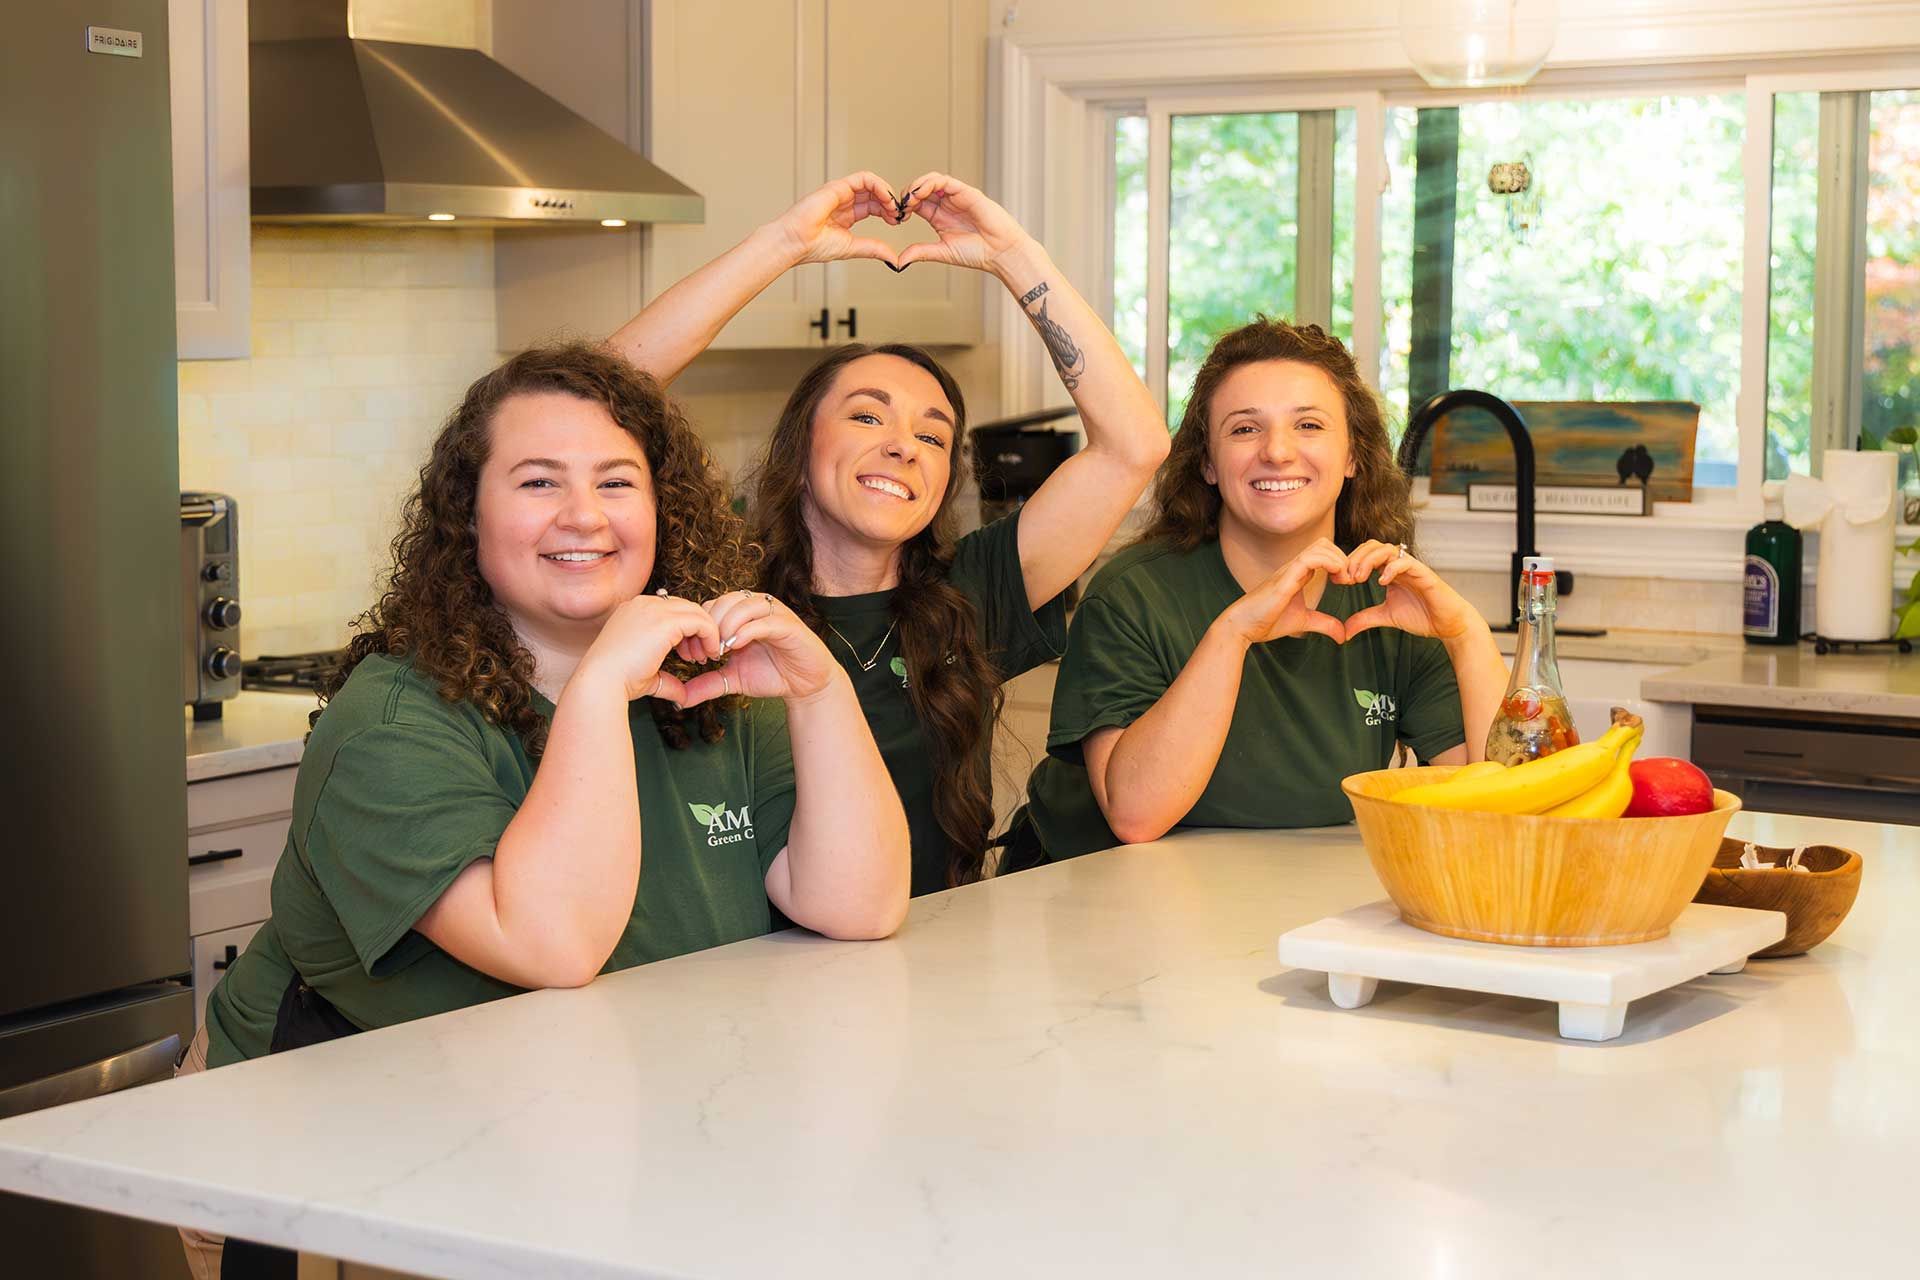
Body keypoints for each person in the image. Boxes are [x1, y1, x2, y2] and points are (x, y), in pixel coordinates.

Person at [608, 172, 1170, 894]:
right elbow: (586, 398)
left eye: (933, 438)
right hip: (733, 979)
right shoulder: (712, 595)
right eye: (868, 417)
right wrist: (781, 245)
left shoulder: (970, 596)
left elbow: (1135, 445)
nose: (904, 446)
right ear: (800, 448)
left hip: (927, 970)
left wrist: (1010, 254)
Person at [1012, 318, 1510, 862]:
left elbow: (1499, 809)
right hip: (1096, 900)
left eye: (1309, 426)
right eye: (1245, 429)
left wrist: (1467, 635)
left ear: (1352, 457)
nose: (1277, 452)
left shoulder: (1390, 603)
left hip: (1286, 898)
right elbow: (1136, 815)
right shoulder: (1132, 596)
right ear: (1206, 461)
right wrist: (1234, 634)